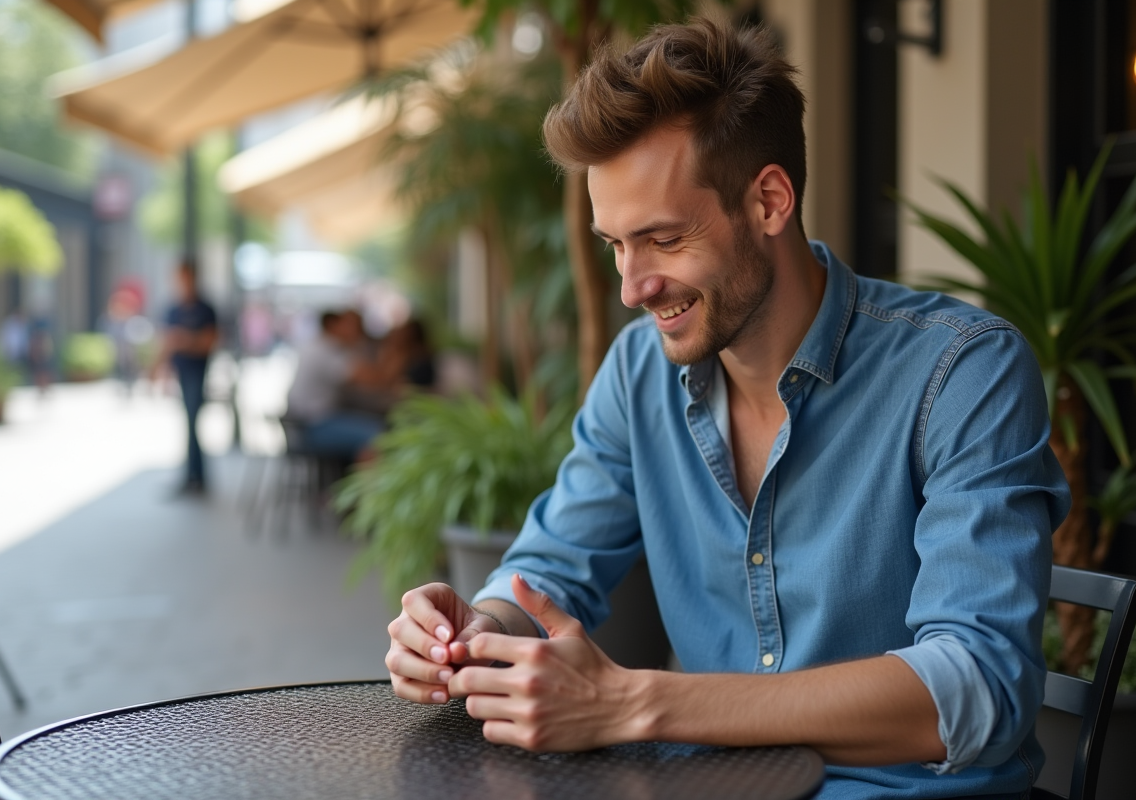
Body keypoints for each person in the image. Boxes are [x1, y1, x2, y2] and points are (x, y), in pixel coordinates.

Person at [385, 18, 1071, 800]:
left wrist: (638, 704)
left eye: (664, 239)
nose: (632, 287)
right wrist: (474, 630)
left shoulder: (962, 370)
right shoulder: (639, 370)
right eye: (614, 244)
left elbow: (979, 689)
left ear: (770, 201)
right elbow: (548, 569)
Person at [286, 310, 384, 460]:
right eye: (350, 325)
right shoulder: (327, 350)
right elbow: (371, 379)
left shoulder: (317, 345)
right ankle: (367, 483)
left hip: (306, 424)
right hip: (314, 427)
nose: (356, 330)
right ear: (333, 325)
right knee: (378, 437)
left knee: (373, 426)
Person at [157, 262, 218, 495]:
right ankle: (192, 475)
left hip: (197, 372)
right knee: (188, 425)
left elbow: (208, 342)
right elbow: (167, 343)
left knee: (193, 424)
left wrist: (185, 341)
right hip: (181, 373)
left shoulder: (205, 309)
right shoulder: (174, 309)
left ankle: (196, 477)